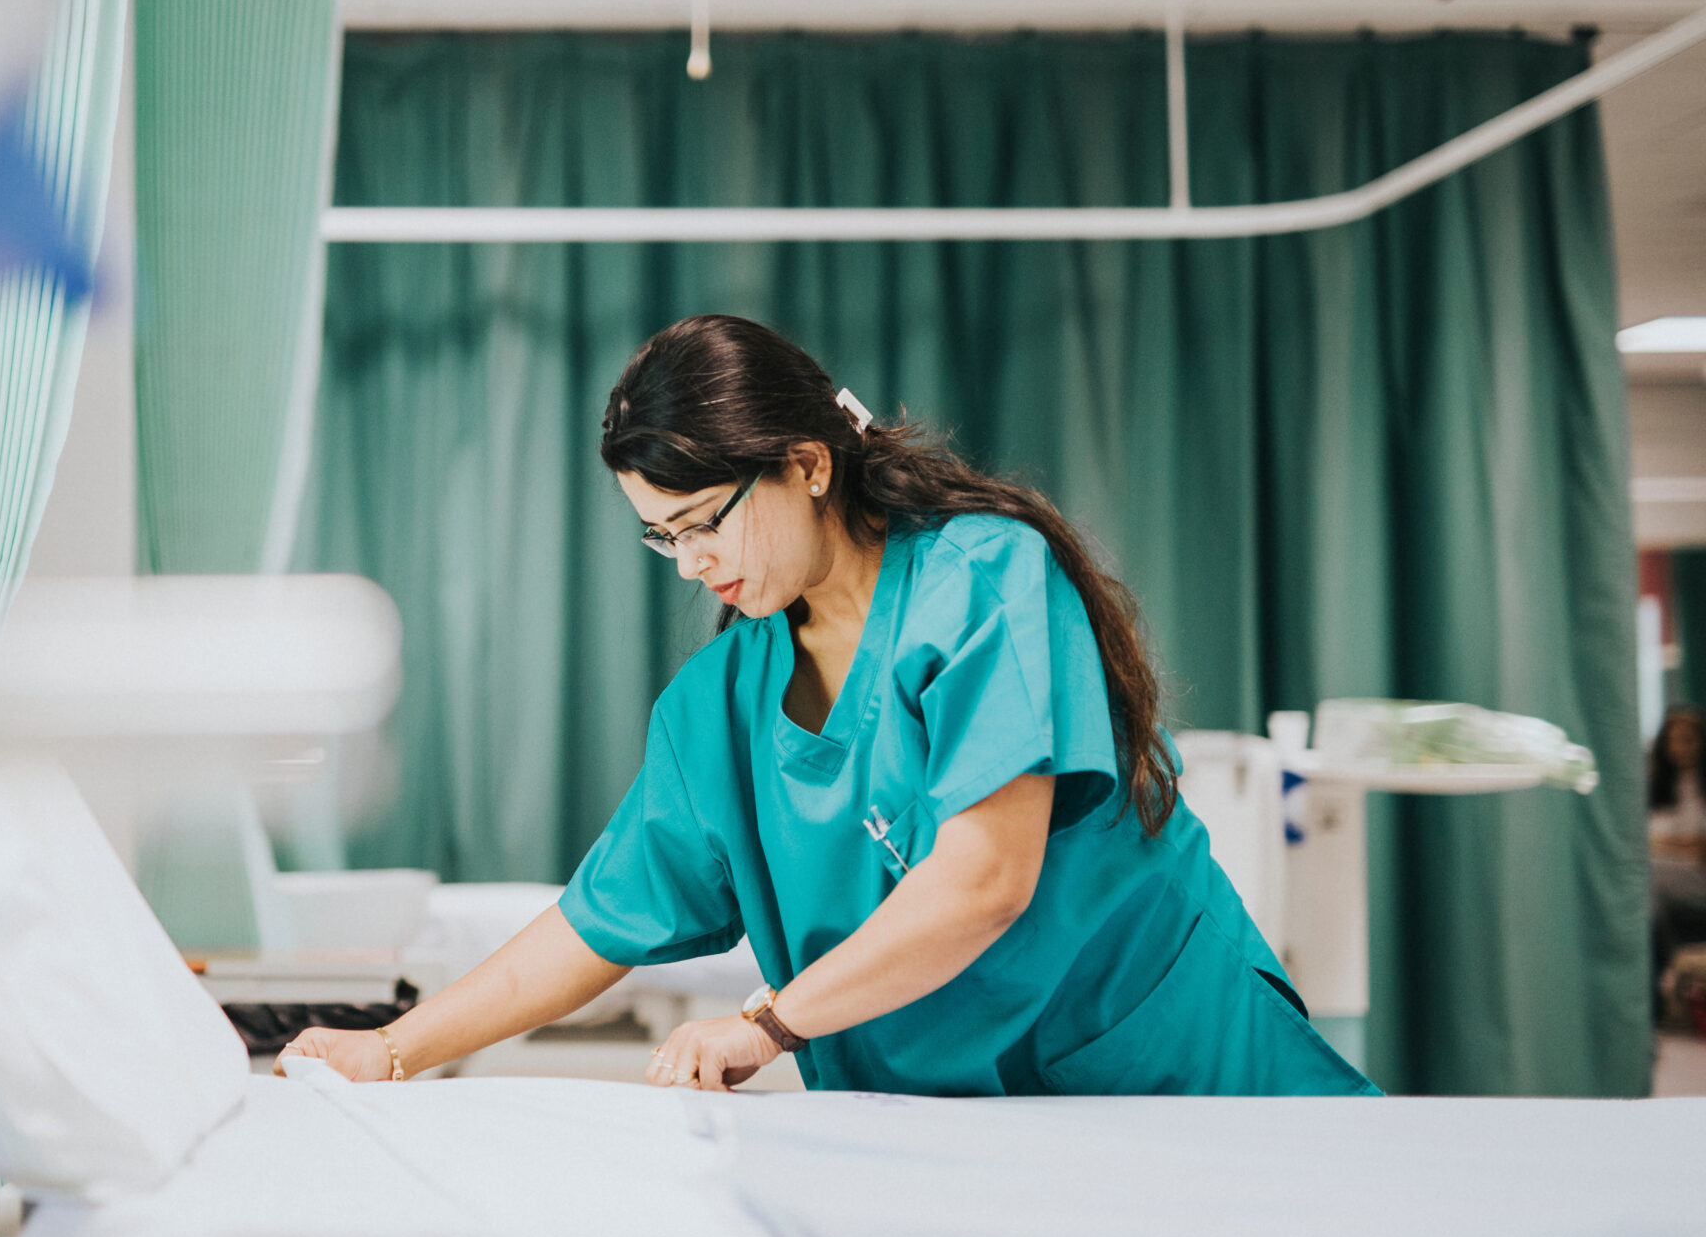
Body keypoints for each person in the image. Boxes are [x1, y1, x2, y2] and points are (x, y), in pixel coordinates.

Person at [282, 315, 1374, 1096]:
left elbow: (985, 880)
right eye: (660, 537)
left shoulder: (983, 580)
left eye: (704, 521)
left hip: (1167, 1057)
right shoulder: (721, 704)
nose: (688, 562)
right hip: (962, 1124)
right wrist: (393, 1048)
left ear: (806, 463)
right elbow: (593, 922)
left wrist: (767, 1024)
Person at [1646, 704, 1706, 1011]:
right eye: (1676, 739)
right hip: (1666, 881)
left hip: (1699, 882)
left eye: (1690, 739)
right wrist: (1683, 846)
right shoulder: (1655, 787)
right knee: (1650, 892)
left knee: (1650, 879)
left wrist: (1668, 845)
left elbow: (1699, 850)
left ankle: (1664, 986)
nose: (1683, 747)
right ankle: (1661, 989)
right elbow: (1648, 844)